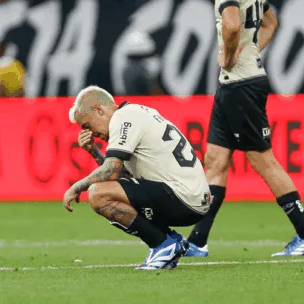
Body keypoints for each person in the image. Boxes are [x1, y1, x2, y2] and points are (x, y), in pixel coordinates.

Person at [185, 0, 304, 257]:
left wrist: (231, 55)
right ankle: (198, 242)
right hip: (237, 82)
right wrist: (251, 53)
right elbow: (271, 20)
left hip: (240, 84)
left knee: (263, 161)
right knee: (215, 160)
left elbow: (231, 25)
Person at [63, 86, 211, 270]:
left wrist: (76, 187)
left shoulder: (123, 118)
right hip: (191, 197)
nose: (90, 133)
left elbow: (111, 171)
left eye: (87, 125)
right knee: (108, 191)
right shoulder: (133, 114)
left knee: (97, 194)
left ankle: (163, 244)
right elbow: (122, 178)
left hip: (183, 196)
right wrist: (94, 151)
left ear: (99, 110)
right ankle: (173, 240)